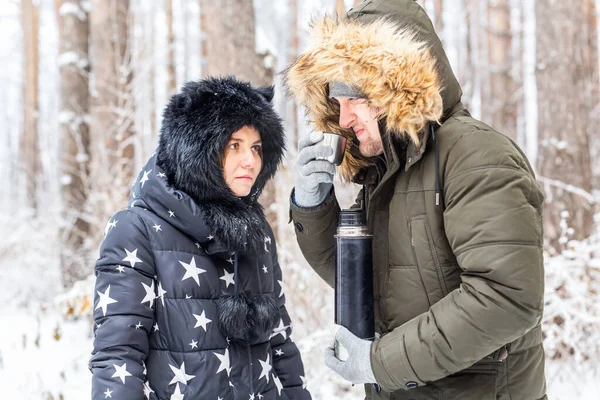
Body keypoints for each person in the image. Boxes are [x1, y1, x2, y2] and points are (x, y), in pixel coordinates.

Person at [285, 1, 546, 399]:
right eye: (337, 104)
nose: (345, 119)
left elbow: (507, 296)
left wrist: (380, 363)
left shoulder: (476, 156)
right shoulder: (384, 172)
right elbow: (362, 285)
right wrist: (312, 205)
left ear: (394, 86)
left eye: (355, 99)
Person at [89, 77, 311, 400]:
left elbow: (280, 343)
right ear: (200, 152)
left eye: (256, 148)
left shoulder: (257, 233)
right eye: (234, 145)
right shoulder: (136, 231)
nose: (250, 160)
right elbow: (117, 359)